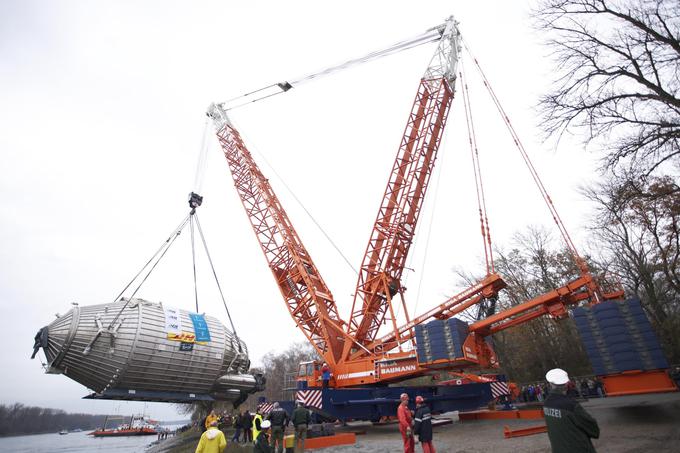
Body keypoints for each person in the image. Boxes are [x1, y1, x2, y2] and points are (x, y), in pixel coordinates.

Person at [543, 368, 600, 453]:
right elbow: (594, 430)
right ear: (567, 384)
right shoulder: (571, 405)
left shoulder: (547, 403)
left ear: (550, 383)